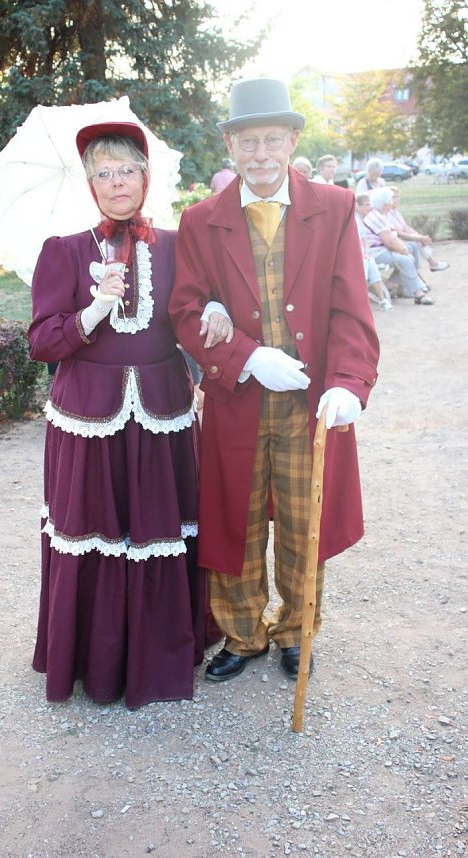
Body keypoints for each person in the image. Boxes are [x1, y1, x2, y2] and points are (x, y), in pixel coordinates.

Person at [169, 78, 380, 683]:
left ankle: (295, 630)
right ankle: (243, 634)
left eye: (271, 140)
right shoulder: (201, 219)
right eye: (247, 141)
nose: (260, 154)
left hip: (309, 404)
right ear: (230, 146)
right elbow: (185, 310)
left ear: (291, 141)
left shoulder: (334, 208)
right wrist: (246, 356)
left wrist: (348, 382)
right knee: (232, 523)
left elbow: (350, 309)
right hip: (236, 401)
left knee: (301, 523)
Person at [28, 120, 230, 708]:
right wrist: (92, 311)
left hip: (163, 412)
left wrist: (215, 305)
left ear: (146, 177)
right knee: (94, 532)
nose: (118, 182)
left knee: (160, 528)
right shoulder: (64, 250)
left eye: (128, 171)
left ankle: (160, 654)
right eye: (104, 173)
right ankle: (96, 661)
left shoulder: (177, 244)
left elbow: (199, 302)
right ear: (90, 184)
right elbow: (41, 342)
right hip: (88, 420)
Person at [365, 187, 434, 306]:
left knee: (410, 253)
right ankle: (418, 293)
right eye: (390, 200)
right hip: (375, 252)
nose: (392, 202)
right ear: (384, 204)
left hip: (383, 249)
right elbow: (389, 242)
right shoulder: (375, 217)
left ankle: (394, 286)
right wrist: (402, 249)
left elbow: (394, 236)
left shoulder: (383, 215)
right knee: (405, 260)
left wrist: (403, 248)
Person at [387, 186, 449, 272]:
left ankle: (431, 264)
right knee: (415, 242)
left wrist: (420, 236)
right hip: (395, 240)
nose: (396, 200)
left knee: (418, 239)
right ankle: (430, 264)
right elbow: (398, 233)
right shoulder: (387, 214)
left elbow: (405, 227)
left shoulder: (395, 212)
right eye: (393, 197)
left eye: (397, 197)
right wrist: (418, 238)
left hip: (402, 237)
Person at [355, 194, 393, 310]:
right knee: (365, 264)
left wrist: (367, 252)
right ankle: (361, 301)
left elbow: (364, 239)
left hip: (363, 252)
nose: (370, 207)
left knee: (371, 264)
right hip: (354, 254)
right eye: (366, 205)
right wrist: (362, 254)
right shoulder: (354, 220)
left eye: (370, 204)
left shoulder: (361, 220)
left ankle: (382, 299)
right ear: (358, 206)